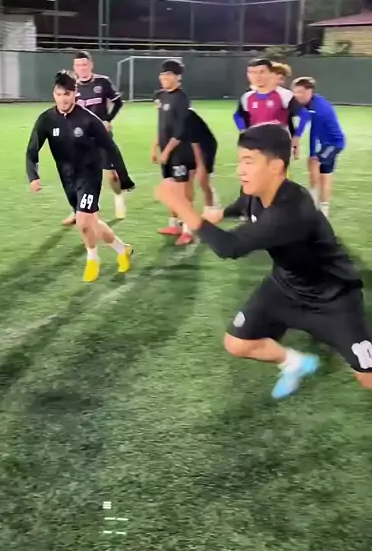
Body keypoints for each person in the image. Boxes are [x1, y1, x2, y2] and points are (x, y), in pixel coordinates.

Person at [156, 123, 372, 397]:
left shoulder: (291, 211)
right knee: (237, 343)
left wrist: (180, 204)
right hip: (285, 287)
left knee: (367, 377)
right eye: (240, 161)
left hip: (333, 299)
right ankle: (294, 363)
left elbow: (230, 247)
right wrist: (222, 213)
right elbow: (244, 206)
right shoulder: (256, 193)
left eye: (249, 161)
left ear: (276, 166)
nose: (240, 170)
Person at [26, 71, 135, 283]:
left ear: (75, 93)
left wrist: (124, 177)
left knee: (83, 222)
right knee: (92, 222)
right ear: (54, 94)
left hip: (90, 175)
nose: (63, 99)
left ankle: (92, 260)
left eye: (67, 94)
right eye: (59, 94)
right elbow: (32, 150)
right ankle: (123, 250)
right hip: (68, 179)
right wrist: (33, 175)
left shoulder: (88, 120)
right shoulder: (46, 120)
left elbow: (111, 148)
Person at [62, 50, 128, 226]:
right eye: (78, 65)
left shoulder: (102, 82)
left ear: (91, 65)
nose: (82, 68)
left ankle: (118, 196)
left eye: (85, 64)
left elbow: (118, 102)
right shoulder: (70, 86)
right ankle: (77, 211)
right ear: (74, 67)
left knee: (112, 176)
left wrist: (108, 120)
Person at [152, 59, 196, 246]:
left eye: (168, 74)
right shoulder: (162, 96)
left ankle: (188, 230)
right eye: (162, 74)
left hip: (180, 152)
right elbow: (162, 126)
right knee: (170, 189)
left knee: (181, 192)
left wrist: (167, 151)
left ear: (178, 77)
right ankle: (174, 225)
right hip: (166, 151)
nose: (164, 78)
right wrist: (155, 147)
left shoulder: (181, 99)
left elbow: (180, 131)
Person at [233, 57, 308, 159]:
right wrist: (243, 130)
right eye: (252, 72)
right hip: (255, 143)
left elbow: (305, 115)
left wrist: (296, 137)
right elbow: (238, 115)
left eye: (262, 72)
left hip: (278, 144)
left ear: (271, 73)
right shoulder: (247, 97)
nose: (257, 76)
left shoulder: (284, 95)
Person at [292, 77, 346, 219]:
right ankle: (317, 202)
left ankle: (319, 205)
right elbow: (304, 119)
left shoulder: (319, 108)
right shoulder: (310, 103)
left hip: (334, 143)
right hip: (326, 143)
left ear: (310, 91)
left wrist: (312, 154)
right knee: (319, 168)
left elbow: (314, 133)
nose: (297, 95)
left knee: (319, 167)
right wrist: (296, 137)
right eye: (295, 92)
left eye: (300, 92)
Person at [186, 108, 220, 213]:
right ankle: (187, 211)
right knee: (187, 178)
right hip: (189, 145)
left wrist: (200, 164)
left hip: (205, 145)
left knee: (202, 179)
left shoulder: (187, 116)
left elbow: (194, 142)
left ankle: (210, 207)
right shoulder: (169, 115)